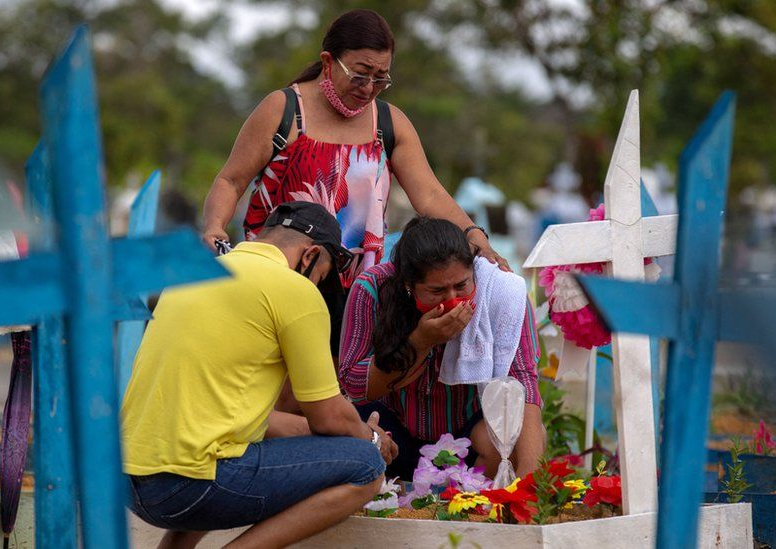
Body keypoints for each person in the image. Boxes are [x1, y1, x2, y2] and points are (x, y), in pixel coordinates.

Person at [201, 9, 509, 358]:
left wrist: (474, 235)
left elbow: (430, 194)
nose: (369, 88)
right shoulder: (283, 110)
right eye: (360, 75)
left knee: (340, 380)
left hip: (355, 295)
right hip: (278, 281)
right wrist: (214, 227)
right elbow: (231, 180)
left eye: (381, 79)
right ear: (328, 62)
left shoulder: (388, 123)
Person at [122, 201, 398, 549]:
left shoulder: (196, 274)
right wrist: (370, 439)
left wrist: (349, 435)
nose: (316, 285)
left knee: (222, 449)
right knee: (365, 467)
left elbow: (263, 422)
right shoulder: (293, 289)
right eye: (321, 276)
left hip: (130, 482)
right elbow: (328, 416)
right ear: (310, 255)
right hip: (189, 487)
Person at [339, 217, 544, 481]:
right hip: (391, 436)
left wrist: (530, 478)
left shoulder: (502, 292)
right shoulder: (372, 288)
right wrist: (421, 342)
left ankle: (473, 494)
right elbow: (354, 384)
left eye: (461, 286)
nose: (452, 300)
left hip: (467, 438)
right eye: (437, 291)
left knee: (511, 437)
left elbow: (523, 383)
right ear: (408, 286)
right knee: (348, 435)